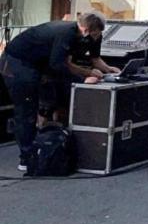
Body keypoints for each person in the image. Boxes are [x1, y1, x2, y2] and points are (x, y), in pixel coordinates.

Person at [0, 12, 119, 171]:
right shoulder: (65, 34)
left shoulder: (93, 35)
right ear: (85, 30)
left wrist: (108, 70)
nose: (97, 38)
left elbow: (94, 59)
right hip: (18, 62)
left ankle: (45, 143)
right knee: (26, 109)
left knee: (50, 100)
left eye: (99, 34)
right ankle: (27, 157)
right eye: (95, 34)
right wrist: (84, 77)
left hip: (41, 63)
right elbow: (59, 64)